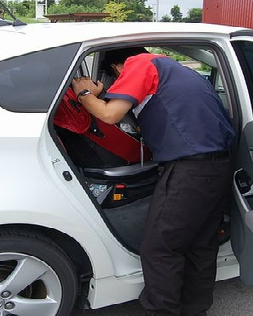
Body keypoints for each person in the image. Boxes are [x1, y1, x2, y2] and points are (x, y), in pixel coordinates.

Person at [72, 47, 235, 316]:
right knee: (200, 244)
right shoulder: (178, 70)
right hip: (216, 167)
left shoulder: (140, 64)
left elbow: (110, 114)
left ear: (117, 67)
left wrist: (84, 92)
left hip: (190, 169)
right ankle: (195, 309)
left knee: (160, 248)